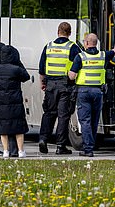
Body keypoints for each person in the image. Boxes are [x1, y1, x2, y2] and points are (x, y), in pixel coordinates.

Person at [68, 25, 115, 157]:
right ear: (96, 43)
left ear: (86, 43)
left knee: (85, 120)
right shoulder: (103, 55)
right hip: (98, 92)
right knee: (94, 120)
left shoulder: (80, 57)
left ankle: (88, 149)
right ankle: (90, 146)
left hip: (83, 92)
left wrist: (69, 73)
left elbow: (71, 75)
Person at [37, 22, 82, 154]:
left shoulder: (48, 46)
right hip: (65, 86)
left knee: (49, 114)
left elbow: (41, 68)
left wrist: (43, 83)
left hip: (50, 85)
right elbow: (78, 66)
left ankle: (43, 139)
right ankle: (60, 146)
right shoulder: (73, 48)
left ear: (58, 31)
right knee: (63, 116)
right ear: (70, 33)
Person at [0, 45, 30, 158]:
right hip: (15, 100)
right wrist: (19, 63)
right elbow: (26, 76)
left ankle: (6, 151)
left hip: (1, 101)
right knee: (18, 127)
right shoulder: (16, 69)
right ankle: (21, 151)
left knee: (3, 127)